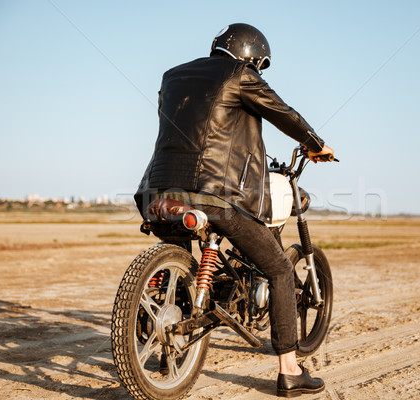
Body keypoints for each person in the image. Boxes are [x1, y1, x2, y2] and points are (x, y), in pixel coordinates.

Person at [134, 23, 334, 397]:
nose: (258, 70)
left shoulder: (172, 76)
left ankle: (164, 330)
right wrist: (314, 143)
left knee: (184, 251)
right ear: (252, 56)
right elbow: (281, 112)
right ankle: (290, 371)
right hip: (214, 193)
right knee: (277, 267)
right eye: (259, 64)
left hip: (157, 191)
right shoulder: (240, 75)